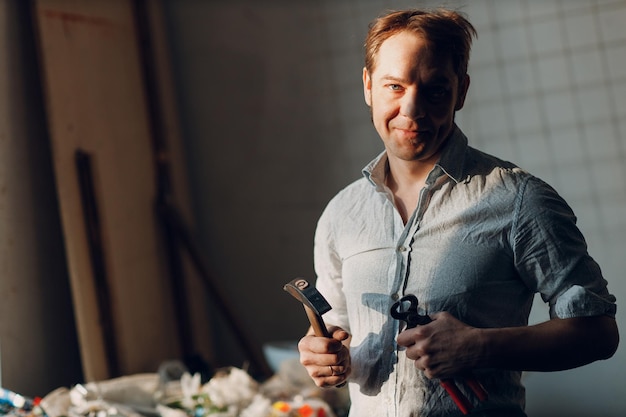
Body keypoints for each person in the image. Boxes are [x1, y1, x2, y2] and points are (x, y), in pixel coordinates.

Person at [296, 7, 619, 417]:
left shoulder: (520, 200)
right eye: (394, 86)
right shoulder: (340, 214)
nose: (411, 111)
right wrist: (327, 357)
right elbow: (340, 336)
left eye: (434, 90)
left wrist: (480, 346)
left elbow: (599, 332)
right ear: (368, 86)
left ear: (460, 92)